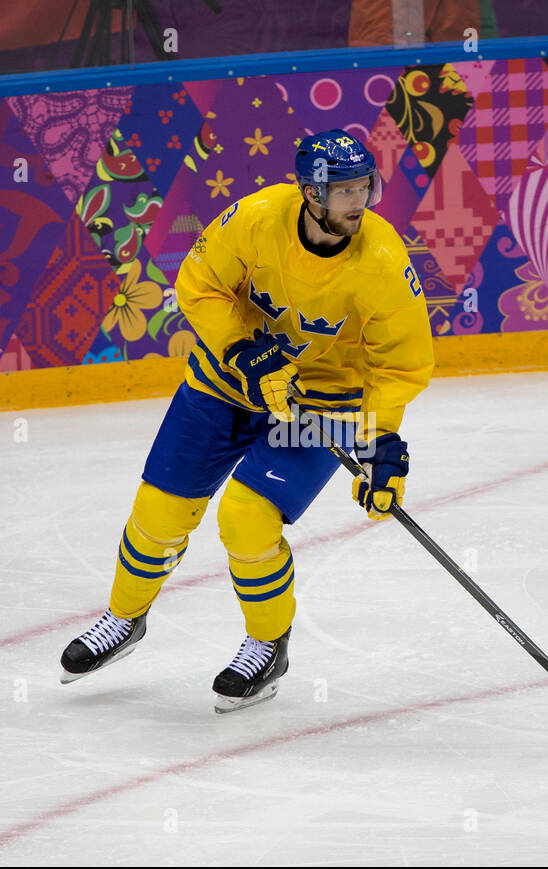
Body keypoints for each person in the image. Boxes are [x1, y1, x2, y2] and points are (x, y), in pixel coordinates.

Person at [59, 129, 434, 713]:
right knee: (159, 513)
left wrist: (380, 442)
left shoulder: (382, 260)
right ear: (311, 193)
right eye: (343, 191)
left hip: (321, 402)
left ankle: (267, 645)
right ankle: (124, 619)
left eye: (365, 187)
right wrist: (239, 349)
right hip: (226, 383)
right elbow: (199, 283)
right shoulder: (258, 217)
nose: (357, 202)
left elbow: (401, 363)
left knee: (246, 520)